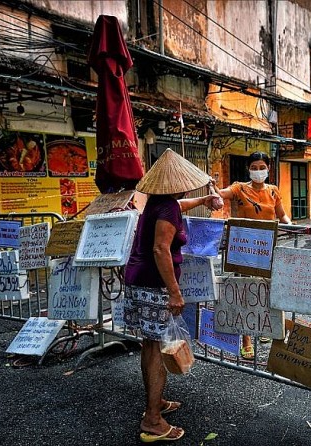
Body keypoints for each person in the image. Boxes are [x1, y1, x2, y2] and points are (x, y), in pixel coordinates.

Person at [124, 148, 223, 443]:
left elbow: (181, 204)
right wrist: (175, 293)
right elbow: (160, 249)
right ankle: (153, 419)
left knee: (150, 345)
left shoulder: (161, 202)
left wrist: (205, 199)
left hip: (138, 280)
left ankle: (156, 402)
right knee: (156, 350)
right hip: (154, 285)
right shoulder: (166, 208)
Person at [214, 151, 291, 359]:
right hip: (242, 249)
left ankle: (265, 327)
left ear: (268, 168)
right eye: (254, 168)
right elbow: (221, 194)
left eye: (262, 167)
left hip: (267, 248)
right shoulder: (239, 188)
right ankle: (246, 340)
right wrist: (211, 186)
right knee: (245, 292)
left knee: (267, 290)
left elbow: (281, 214)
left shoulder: (274, 191)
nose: (258, 171)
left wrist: (292, 226)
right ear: (248, 169)